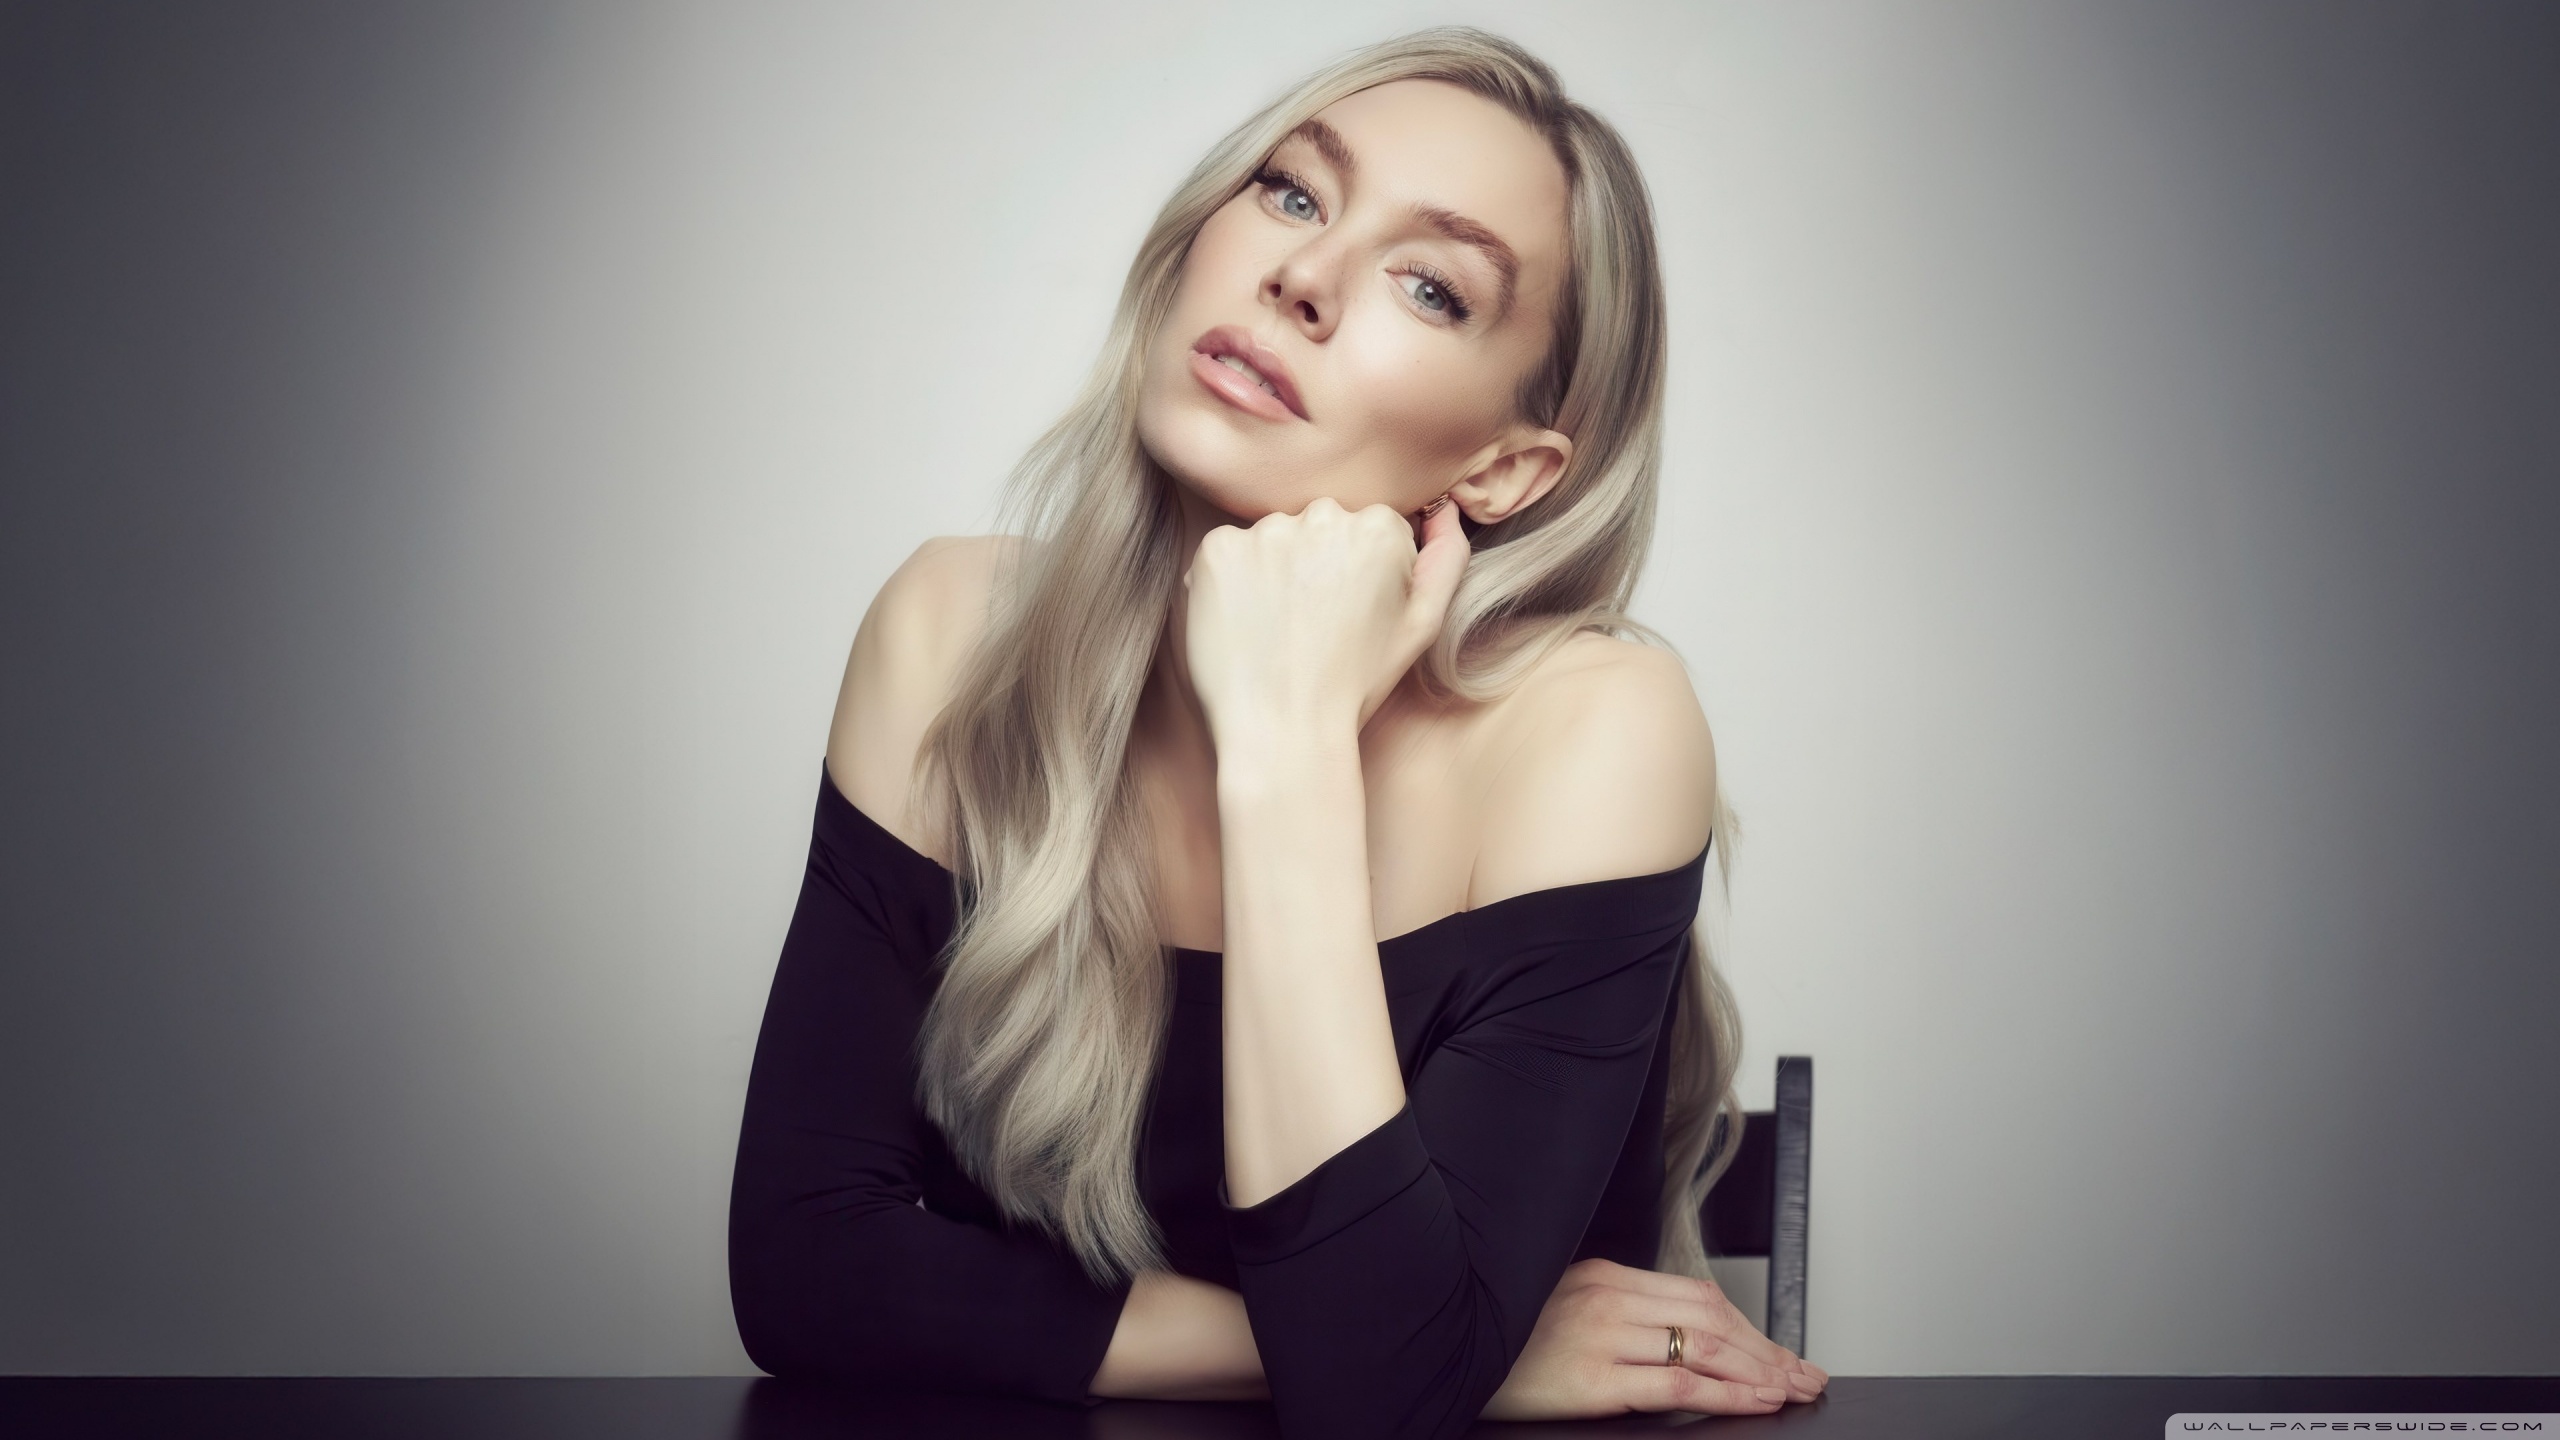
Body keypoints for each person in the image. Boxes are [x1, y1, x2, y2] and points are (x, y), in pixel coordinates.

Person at [726, 26, 1828, 1440]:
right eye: (1296, 192)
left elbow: (1376, 1407)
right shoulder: (950, 635)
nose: (1303, 274)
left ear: (1507, 466)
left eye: (1430, 286)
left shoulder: (1593, 732)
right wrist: (1448, 1350)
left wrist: (1287, 733)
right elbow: (805, 1265)